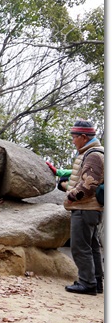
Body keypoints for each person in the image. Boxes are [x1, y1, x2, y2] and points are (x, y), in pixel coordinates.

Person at [48, 120, 104, 295]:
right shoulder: (93, 152)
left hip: (85, 207)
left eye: (74, 137)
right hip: (91, 208)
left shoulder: (94, 154)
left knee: (80, 247)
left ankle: (87, 283)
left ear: (83, 136)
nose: (73, 141)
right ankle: (96, 282)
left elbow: (88, 185)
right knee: (92, 246)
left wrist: (70, 194)